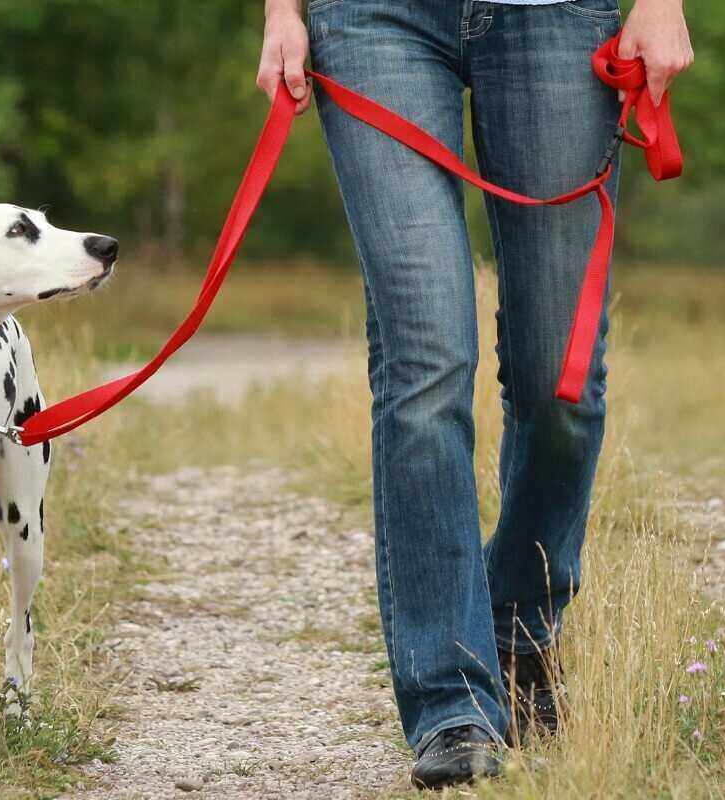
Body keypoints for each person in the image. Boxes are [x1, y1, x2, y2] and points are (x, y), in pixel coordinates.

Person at [256, 0, 691, 788]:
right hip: (369, 21)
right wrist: (282, 11)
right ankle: (451, 701)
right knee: (424, 361)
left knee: (560, 379)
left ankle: (520, 624)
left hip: (558, 16)